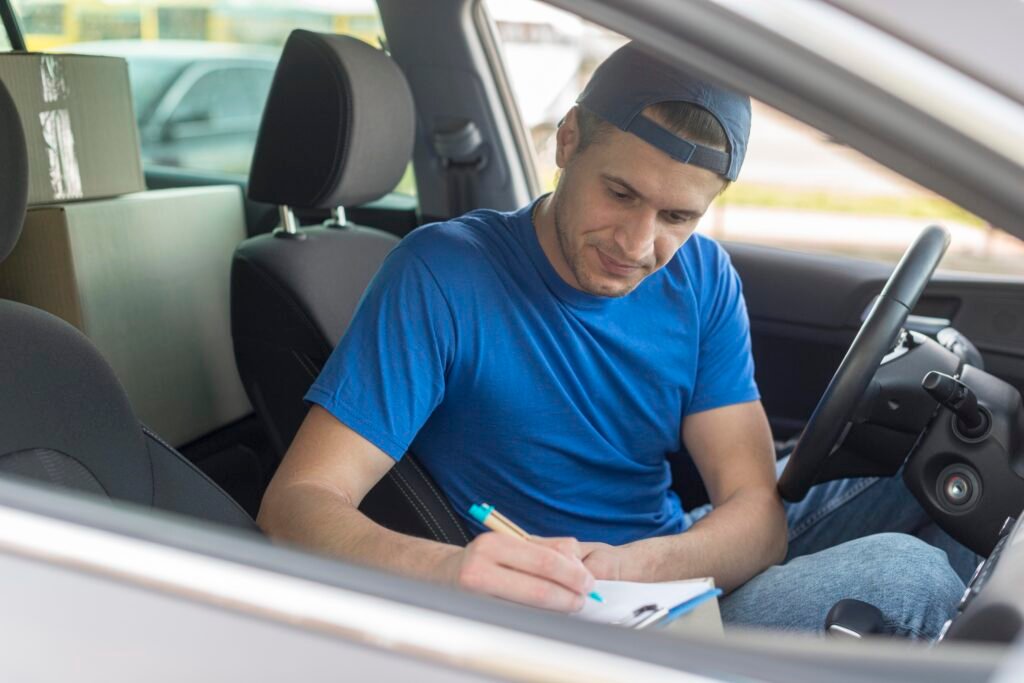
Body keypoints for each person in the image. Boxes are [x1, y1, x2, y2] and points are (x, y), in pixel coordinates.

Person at [257, 42, 970, 639]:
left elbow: (756, 516)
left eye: (677, 215)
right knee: (909, 578)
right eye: (621, 194)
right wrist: (450, 571)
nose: (638, 244)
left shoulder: (702, 277)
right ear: (568, 141)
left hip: (658, 569)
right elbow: (296, 501)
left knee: (944, 466)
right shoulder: (441, 273)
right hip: (579, 616)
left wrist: (636, 564)